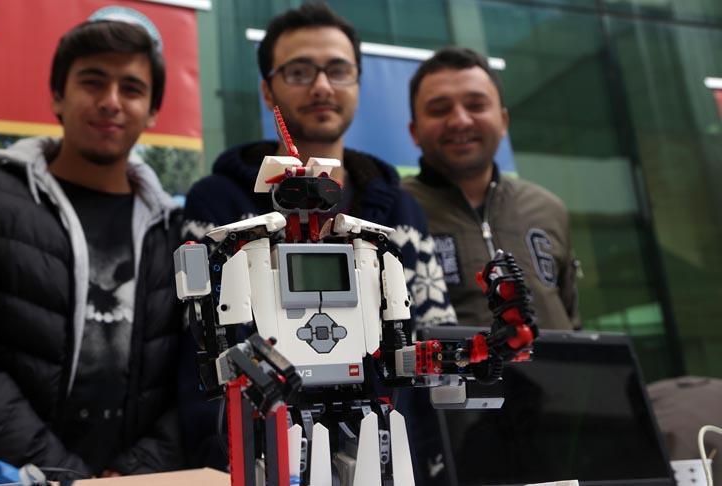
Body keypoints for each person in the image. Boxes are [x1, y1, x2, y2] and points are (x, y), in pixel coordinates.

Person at [0, 20, 184, 484]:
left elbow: (196, 377)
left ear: (151, 112)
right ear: (57, 97)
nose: (111, 101)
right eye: (92, 82)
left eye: (131, 89)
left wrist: (136, 472)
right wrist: (61, 476)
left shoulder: (174, 230)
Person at [178, 2, 457, 471]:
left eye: (338, 70)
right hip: (264, 445)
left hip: (380, 445)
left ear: (358, 83)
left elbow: (425, 336)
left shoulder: (400, 214)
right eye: (300, 71)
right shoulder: (220, 205)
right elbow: (200, 345)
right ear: (268, 88)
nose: (322, 86)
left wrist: (428, 460)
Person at [402, 47, 580, 331]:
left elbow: (572, 317)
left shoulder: (548, 208)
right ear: (414, 132)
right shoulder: (394, 211)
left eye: (476, 105)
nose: (460, 120)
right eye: (439, 110)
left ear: (504, 121)